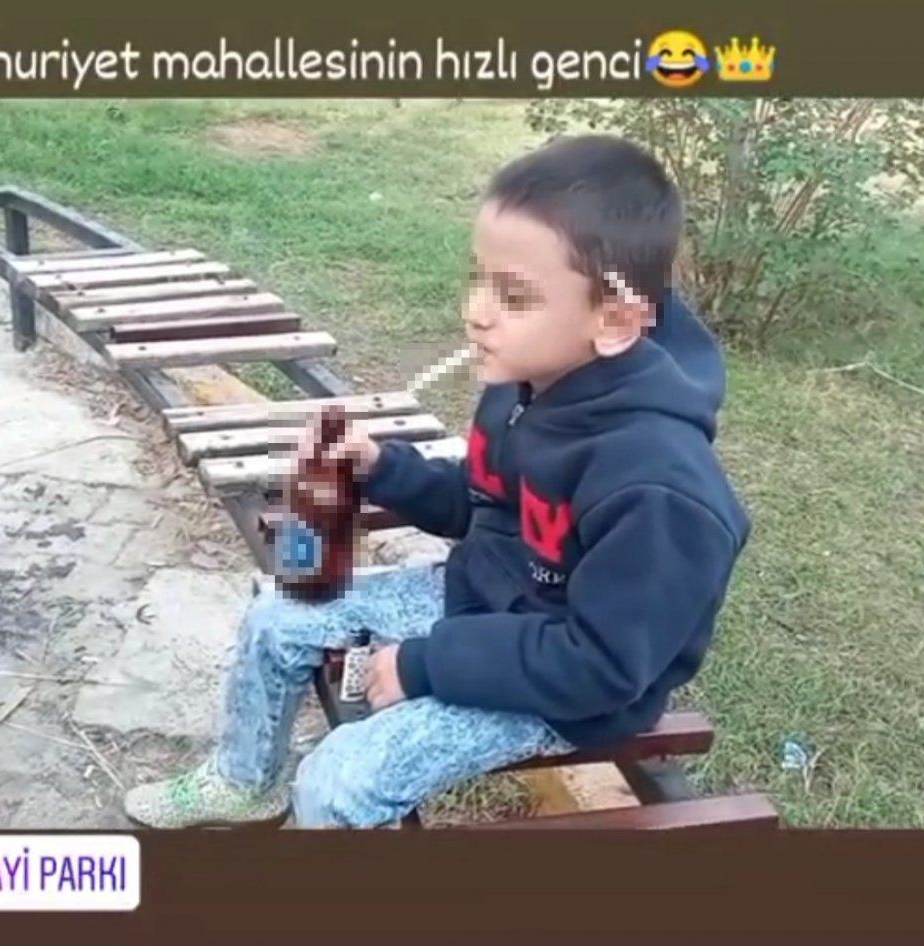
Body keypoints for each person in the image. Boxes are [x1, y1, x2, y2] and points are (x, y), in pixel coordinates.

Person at [123, 133, 750, 829]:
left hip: (567, 692)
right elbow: (483, 503)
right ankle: (245, 783)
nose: (477, 310)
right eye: (479, 278)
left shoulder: (660, 491)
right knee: (278, 614)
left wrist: (423, 666)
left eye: (513, 296)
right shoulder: (534, 379)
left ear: (614, 320)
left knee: (336, 784)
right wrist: (381, 468)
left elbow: (600, 666)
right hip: (476, 598)